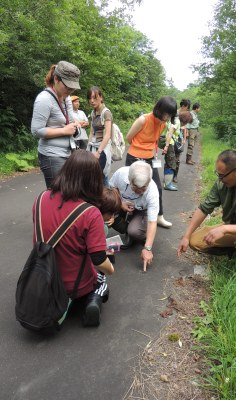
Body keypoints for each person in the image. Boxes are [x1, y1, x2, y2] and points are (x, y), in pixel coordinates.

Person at [32, 150, 115, 327]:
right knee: (102, 277)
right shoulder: (90, 212)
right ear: (94, 180)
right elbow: (99, 260)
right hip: (73, 286)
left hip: (43, 277)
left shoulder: (40, 198)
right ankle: (93, 301)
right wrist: (111, 268)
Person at [126, 96, 177, 228]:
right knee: (133, 188)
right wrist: (139, 149)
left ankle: (159, 216)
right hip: (134, 157)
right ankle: (128, 217)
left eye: (170, 114)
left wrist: (151, 152)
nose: (167, 117)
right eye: (166, 113)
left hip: (150, 158)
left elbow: (154, 141)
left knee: (157, 188)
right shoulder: (143, 120)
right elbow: (129, 138)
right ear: (159, 109)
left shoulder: (163, 124)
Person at [31, 61, 81, 188]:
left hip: (67, 152)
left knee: (69, 191)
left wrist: (74, 125)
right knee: (57, 194)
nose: (70, 91)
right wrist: (64, 131)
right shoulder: (44, 99)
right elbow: (36, 131)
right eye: (68, 87)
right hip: (51, 155)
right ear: (56, 79)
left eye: (73, 88)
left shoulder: (66, 98)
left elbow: (68, 120)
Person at [109, 161, 159, 272]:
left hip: (142, 210)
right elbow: (111, 188)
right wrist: (120, 203)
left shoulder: (153, 192)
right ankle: (127, 231)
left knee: (134, 231)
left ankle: (138, 233)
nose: (140, 191)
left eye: (143, 188)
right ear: (129, 180)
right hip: (123, 203)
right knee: (107, 215)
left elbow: (152, 221)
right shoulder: (121, 173)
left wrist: (147, 248)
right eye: (136, 187)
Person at [87, 86, 113, 186]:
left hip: (102, 150)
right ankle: (108, 197)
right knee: (96, 177)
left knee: (100, 177)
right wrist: (88, 148)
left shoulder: (106, 113)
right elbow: (91, 132)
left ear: (101, 97)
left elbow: (107, 135)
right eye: (90, 98)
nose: (92, 101)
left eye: (95, 98)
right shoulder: (93, 113)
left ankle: (108, 198)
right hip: (93, 147)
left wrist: (98, 152)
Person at [161, 111, 193, 191]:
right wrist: (167, 146)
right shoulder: (177, 122)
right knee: (171, 164)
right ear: (185, 120)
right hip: (170, 144)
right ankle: (168, 184)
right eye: (187, 122)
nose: (186, 124)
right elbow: (170, 133)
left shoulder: (175, 120)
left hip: (170, 144)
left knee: (169, 163)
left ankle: (167, 183)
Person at [174, 99, 191, 183]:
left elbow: (185, 127)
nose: (187, 109)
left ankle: (175, 176)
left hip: (180, 138)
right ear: (183, 106)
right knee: (170, 157)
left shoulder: (186, 114)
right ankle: (168, 176)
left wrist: (184, 138)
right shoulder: (175, 113)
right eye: (187, 107)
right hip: (173, 136)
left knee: (177, 158)